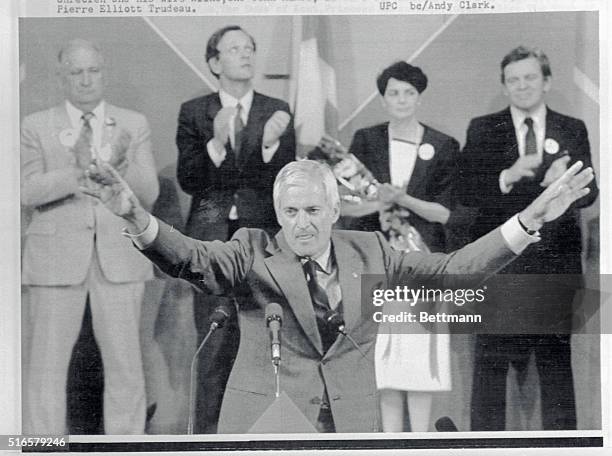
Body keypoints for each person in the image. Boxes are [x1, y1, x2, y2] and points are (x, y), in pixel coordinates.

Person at [82, 157, 592, 434]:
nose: (300, 224)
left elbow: (455, 272)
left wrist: (529, 221)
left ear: (333, 211)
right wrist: (134, 215)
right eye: (290, 213)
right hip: (269, 423)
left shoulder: (371, 250)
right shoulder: (251, 250)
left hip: (349, 424)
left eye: (311, 211)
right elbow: (194, 259)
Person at [21, 39, 159, 434]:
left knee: (126, 367)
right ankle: (41, 446)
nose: (85, 80)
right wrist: (77, 175)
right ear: (62, 78)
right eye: (75, 72)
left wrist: (120, 164)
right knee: (45, 371)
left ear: (104, 73)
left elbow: (149, 192)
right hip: (54, 261)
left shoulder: (132, 124)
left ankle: (126, 446)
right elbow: (25, 190)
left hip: (120, 257)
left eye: (92, 71)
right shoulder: (35, 125)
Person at [459, 46, 598, 430]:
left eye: (530, 77)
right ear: (504, 86)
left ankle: (563, 449)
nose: (522, 86)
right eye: (513, 80)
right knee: (489, 370)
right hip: (500, 270)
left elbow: (592, 193)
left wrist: (565, 185)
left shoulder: (572, 128)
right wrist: (510, 175)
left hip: (555, 269)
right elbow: (467, 193)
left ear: (547, 81)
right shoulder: (483, 129)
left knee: (556, 370)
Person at [175, 25, 296, 433]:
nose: (245, 55)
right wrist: (216, 142)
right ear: (214, 62)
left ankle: (260, 435)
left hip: (261, 244)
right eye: (234, 49)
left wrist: (268, 146)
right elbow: (189, 180)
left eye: (250, 48)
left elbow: (284, 184)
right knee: (213, 343)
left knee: (264, 343)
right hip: (209, 244)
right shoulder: (194, 112)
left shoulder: (276, 109)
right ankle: (207, 438)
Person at [345, 61, 459, 432]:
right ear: (382, 99)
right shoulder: (366, 140)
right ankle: (390, 440)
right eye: (393, 93)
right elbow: (345, 204)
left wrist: (403, 200)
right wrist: (379, 204)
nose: (401, 99)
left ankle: (422, 439)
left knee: (419, 357)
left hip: (423, 265)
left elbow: (446, 213)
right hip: (376, 263)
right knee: (384, 356)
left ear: (419, 97)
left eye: (409, 92)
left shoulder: (443, 145)